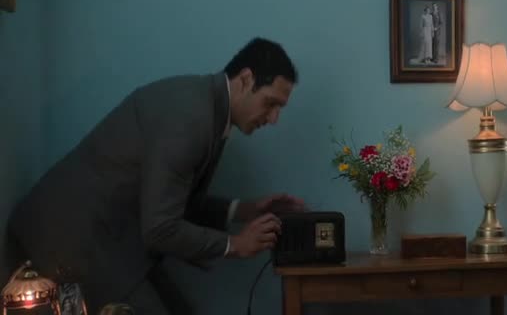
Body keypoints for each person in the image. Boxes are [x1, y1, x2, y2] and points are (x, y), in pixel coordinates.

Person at [7, 37, 306, 314]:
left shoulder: (207, 108)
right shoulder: (192, 119)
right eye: (270, 103)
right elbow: (161, 228)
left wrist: (244, 210)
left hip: (110, 243)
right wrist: (236, 244)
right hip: (73, 244)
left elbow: (173, 200)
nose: (274, 118)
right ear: (246, 79)